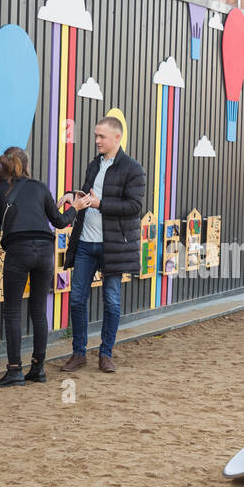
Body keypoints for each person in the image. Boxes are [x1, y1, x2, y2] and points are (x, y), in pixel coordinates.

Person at [0, 147, 87, 387]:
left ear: (2, 166)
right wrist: (75, 208)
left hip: (19, 251)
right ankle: (38, 368)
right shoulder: (39, 187)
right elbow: (58, 222)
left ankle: (15, 370)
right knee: (38, 310)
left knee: (13, 311)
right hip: (45, 251)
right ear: (25, 165)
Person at [61, 116, 147, 373]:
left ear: (117, 138)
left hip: (113, 246)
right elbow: (90, 196)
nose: (96, 140)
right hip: (86, 243)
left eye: (102, 136)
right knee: (77, 299)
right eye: (96, 135)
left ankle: (105, 354)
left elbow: (135, 207)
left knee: (111, 301)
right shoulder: (93, 165)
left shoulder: (133, 169)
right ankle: (79, 353)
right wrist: (73, 195)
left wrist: (102, 205)